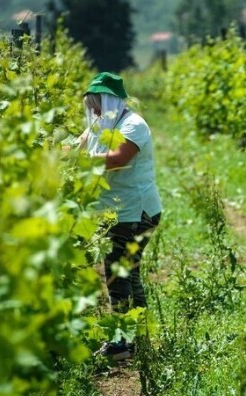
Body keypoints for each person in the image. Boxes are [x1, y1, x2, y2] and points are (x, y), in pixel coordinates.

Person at [82, 72, 162, 360]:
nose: (95, 112)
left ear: (111, 101)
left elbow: (117, 159)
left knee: (118, 274)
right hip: (118, 211)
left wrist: (76, 161)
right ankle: (136, 337)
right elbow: (77, 147)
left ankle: (121, 342)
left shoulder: (133, 125)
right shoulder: (99, 126)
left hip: (136, 212)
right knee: (128, 272)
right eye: (92, 107)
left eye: (99, 105)